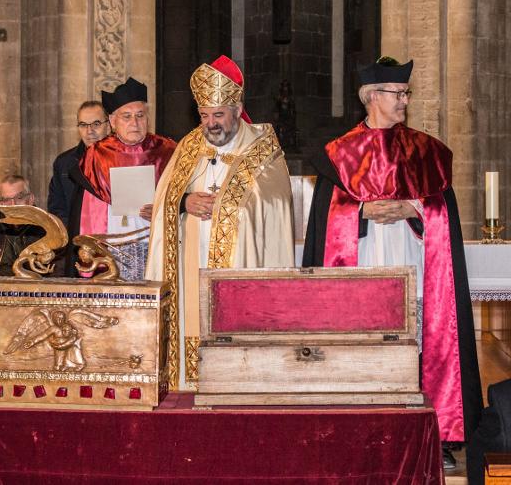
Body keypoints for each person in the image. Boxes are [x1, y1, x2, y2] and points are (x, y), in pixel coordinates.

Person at [302, 56, 482, 458]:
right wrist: (361, 211)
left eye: (406, 94)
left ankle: (427, 430)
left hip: (412, 258)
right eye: (398, 94)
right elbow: (324, 218)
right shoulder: (340, 152)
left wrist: (414, 209)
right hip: (362, 263)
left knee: (416, 345)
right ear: (372, 97)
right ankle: (358, 427)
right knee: (364, 345)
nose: (404, 101)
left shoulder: (425, 151)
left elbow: (441, 210)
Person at [146, 55, 295, 391]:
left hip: (239, 264)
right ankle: (187, 379)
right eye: (203, 115)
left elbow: (275, 204)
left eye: (217, 115)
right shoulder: (188, 146)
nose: (210, 124)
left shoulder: (262, 147)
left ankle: (238, 382)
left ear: (237, 108)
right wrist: (184, 203)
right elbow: (164, 200)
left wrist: (227, 204)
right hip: (190, 261)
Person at [68, 77, 176, 280]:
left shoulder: (168, 150)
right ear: (112, 121)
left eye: (140, 115)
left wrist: (162, 210)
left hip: (155, 244)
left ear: (148, 117)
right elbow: (87, 212)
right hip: (111, 248)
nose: (134, 123)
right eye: (126, 116)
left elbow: (182, 197)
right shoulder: (97, 154)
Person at [47, 101, 111, 226]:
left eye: (96, 124)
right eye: (83, 125)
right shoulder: (64, 163)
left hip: (114, 236)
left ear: (108, 126)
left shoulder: (121, 158)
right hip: (77, 239)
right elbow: (57, 209)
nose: (89, 131)